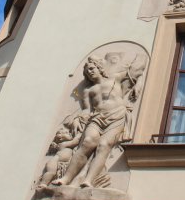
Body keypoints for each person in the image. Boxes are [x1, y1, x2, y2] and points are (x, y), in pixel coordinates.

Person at [52, 54, 144, 188]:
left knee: (104, 145)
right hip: (97, 118)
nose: (90, 72)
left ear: (99, 68)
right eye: (87, 71)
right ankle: (66, 178)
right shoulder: (88, 90)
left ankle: (88, 180)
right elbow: (86, 110)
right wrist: (77, 120)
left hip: (116, 115)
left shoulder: (115, 78)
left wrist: (139, 83)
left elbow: (134, 73)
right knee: (87, 142)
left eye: (91, 68)